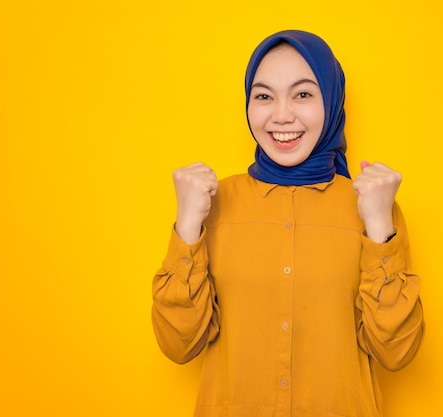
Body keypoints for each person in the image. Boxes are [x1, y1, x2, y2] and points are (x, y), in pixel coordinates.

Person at [151, 29, 424, 417]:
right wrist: (188, 225)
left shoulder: (371, 205)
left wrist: (379, 224)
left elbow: (396, 352)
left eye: (303, 94)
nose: (281, 115)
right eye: (263, 96)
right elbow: (179, 346)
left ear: (331, 101)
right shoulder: (209, 202)